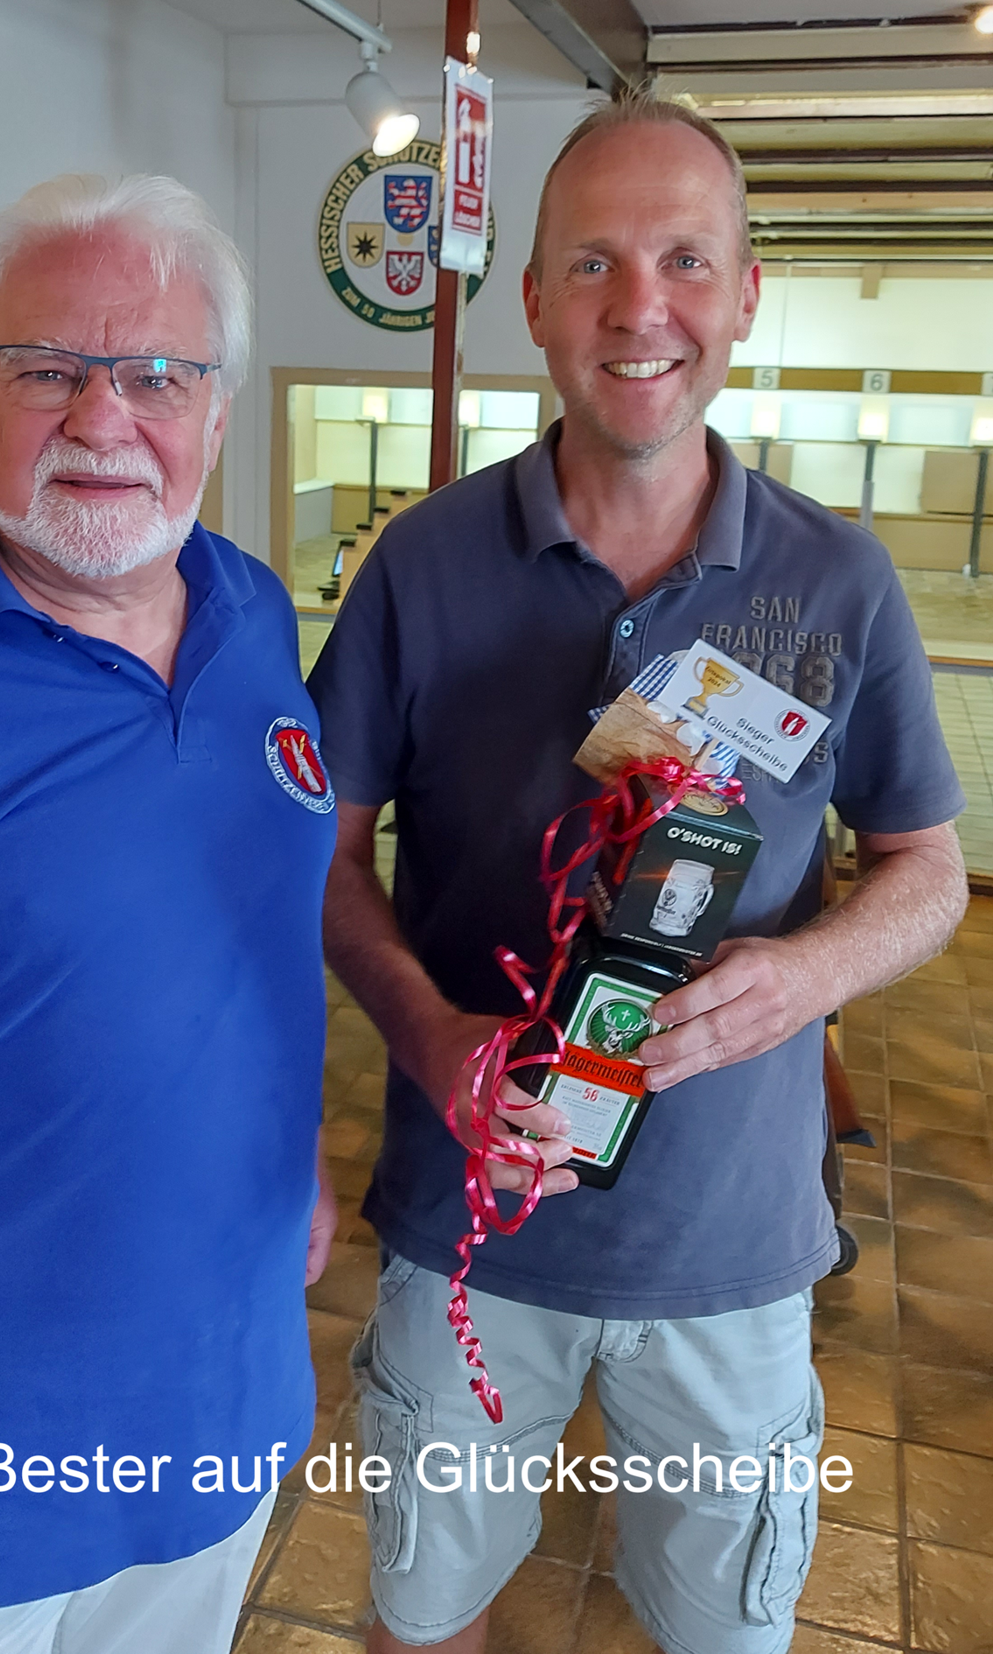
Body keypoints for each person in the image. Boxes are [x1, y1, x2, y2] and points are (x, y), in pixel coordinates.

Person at [308, 95, 968, 1654]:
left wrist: (807, 974)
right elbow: (321, 854)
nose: (639, 308)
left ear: (745, 296)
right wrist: (431, 1034)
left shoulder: (837, 581)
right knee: (425, 1609)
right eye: (593, 263)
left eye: (686, 260)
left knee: (723, 1631)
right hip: (471, 1222)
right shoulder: (422, 564)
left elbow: (928, 869)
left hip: (730, 1246)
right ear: (534, 299)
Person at [0, 173, 337, 1654]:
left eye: (160, 373)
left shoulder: (250, 615)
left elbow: (229, 936)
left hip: (215, 1422)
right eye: (47, 368)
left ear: (218, 411)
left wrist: (282, 1151)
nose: (105, 418)